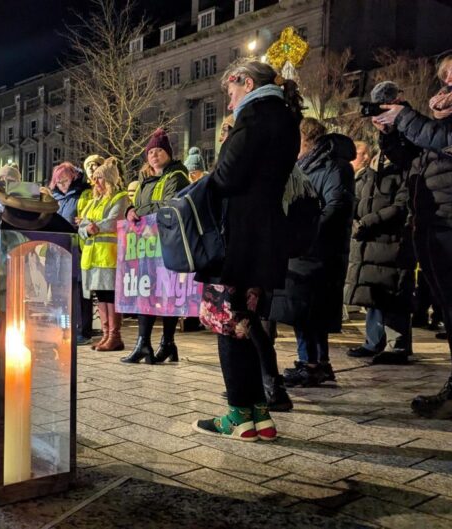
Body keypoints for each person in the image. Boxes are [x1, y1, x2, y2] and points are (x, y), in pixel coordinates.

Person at [191, 59, 303, 441]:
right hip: (266, 237)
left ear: (247, 83)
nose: (229, 103)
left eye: (231, 92)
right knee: (247, 321)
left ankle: (238, 415)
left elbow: (226, 177)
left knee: (228, 323)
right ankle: (260, 415)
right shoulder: (287, 118)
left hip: (236, 238)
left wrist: (212, 170)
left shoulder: (253, 117)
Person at [373, 45, 452, 419]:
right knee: (451, 306)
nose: (449, 76)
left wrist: (405, 117)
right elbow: (417, 157)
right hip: (432, 216)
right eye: (445, 71)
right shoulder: (442, 107)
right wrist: (390, 135)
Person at [273, 118, 355, 388]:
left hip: (320, 250)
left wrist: (308, 230)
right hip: (306, 248)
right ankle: (314, 362)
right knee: (306, 310)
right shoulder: (307, 165)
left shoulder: (333, 166)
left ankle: (312, 364)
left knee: (310, 309)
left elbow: (337, 205)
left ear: (305, 139)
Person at [343, 134, 415, 365]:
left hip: (391, 242)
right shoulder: (367, 175)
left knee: (394, 294)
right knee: (372, 293)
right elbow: (356, 200)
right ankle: (373, 342)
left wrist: (369, 222)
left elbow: (401, 205)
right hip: (368, 242)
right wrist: (354, 220)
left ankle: (397, 346)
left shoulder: (404, 171)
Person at [122, 128, 190, 364]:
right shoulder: (143, 180)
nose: (154, 155)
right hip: (145, 246)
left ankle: (167, 342)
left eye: (159, 151)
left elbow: (169, 205)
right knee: (145, 292)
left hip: (168, 243)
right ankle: (144, 343)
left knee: (166, 292)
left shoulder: (177, 176)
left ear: (169, 154)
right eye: (151, 152)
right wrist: (129, 210)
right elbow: (135, 205)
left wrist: (137, 211)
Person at [78, 158, 129, 352]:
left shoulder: (120, 197)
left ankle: (114, 336)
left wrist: (94, 226)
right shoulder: (93, 201)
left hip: (108, 255)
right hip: (92, 256)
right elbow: (82, 224)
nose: (95, 182)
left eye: (99, 178)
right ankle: (106, 335)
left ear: (108, 179)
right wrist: (87, 228)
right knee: (100, 296)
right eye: (95, 179)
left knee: (110, 295)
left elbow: (115, 220)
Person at [49, 162, 94, 346]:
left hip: (76, 247)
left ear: (73, 178)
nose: (62, 185)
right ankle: (63, 328)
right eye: (58, 182)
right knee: (59, 291)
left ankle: (83, 330)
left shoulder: (83, 194)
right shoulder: (54, 198)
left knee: (78, 291)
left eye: (65, 180)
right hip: (56, 249)